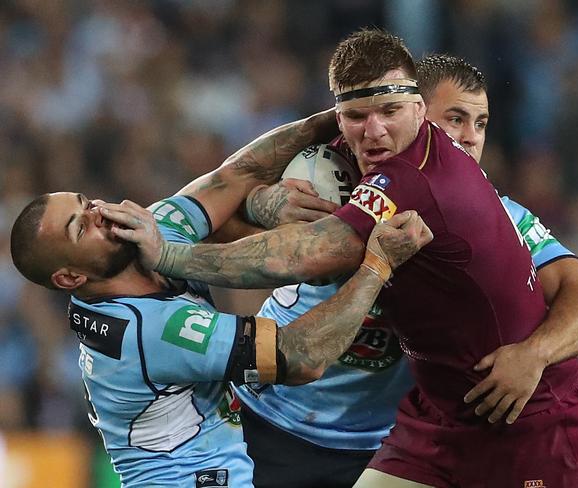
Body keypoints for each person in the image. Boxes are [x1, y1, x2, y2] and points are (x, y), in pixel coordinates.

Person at [109, 30, 578, 487]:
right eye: (455, 118)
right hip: (278, 416)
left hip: (413, 431)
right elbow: (227, 206)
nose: (471, 136)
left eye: (480, 123)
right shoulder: (324, 171)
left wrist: (535, 352)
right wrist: (260, 205)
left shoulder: (499, 213)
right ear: (422, 112)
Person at [9, 109, 432, 487]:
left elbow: (238, 173)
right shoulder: (145, 332)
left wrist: (342, 116)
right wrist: (376, 265)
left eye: (85, 203)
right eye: (80, 228)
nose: (97, 215)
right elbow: (302, 356)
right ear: (69, 277)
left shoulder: (148, 235)